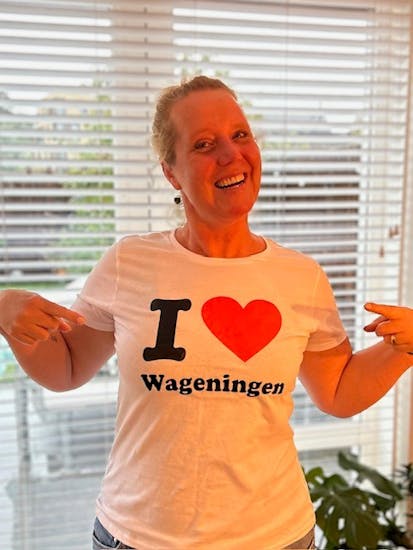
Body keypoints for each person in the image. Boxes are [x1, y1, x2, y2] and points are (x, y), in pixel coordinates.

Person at [0, 75, 412, 550]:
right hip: (138, 536)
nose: (231, 154)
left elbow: (337, 392)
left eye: (240, 135)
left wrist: (402, 350)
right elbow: (67, 368)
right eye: (204, 144)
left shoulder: (301, 276)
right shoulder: (129, 262)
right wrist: (9, 315)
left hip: (274, 536)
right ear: (171, 173)